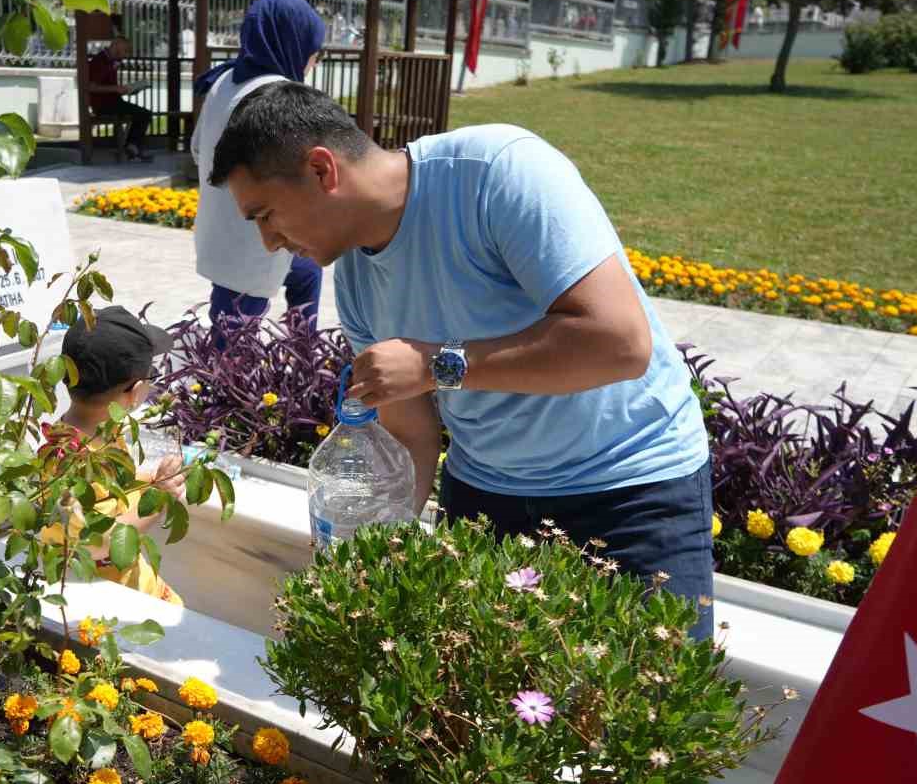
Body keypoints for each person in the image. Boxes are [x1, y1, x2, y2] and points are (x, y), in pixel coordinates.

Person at [207, 83, 715, 638]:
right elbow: (412, 433)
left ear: (322, 170)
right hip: (485, 498)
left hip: (628, 489)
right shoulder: (354, 279)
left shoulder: (496, 172)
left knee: (640, 713)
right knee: (481, 716)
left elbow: (620, 343)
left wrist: (436, 365)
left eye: (265, 215)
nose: (268, 243)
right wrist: (379, 560)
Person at [192, 0, 328, 337]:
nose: (313, 62)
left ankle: (303, 349)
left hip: (227, 228)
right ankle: (223, 387)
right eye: (314, 52)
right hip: (253, 235)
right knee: (233, 335)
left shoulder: (224, 79)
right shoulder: (277, 93)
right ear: (293, 43)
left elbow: (196, 148)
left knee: (308, 270)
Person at [39, 306, 185, 604]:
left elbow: (113, 485)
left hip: (127, 580)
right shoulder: (70, 462)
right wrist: (158, 499)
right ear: (136, 392)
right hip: (105, 599)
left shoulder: (97, 432)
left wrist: (153, 479)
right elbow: (98, 542)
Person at [87, 35, 152, 162]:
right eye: (125, 50)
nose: (125, 55)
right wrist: (116, 89)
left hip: (113, 102)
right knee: (144, 114)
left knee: (143, 114)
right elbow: (91, 87)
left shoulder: (112, 61)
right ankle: (131, 149)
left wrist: (129, 90)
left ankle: (132, 148)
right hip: (103, 105)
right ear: (116, 45)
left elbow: (110, 87)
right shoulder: (99, 61)